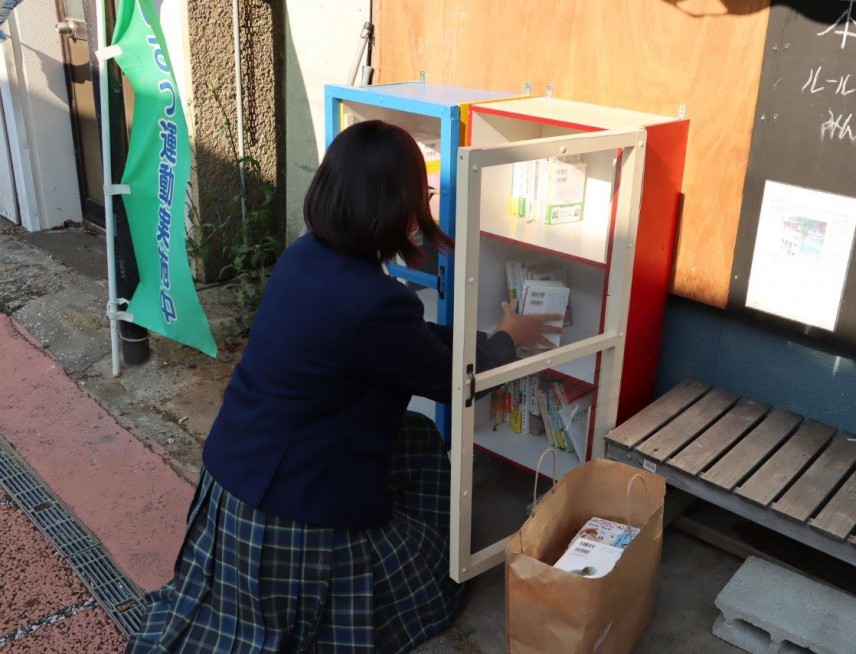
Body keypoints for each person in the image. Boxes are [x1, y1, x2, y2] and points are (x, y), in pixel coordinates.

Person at [126, 119, 560, 653]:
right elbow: (455, 381)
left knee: (418, 437)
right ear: (395, 205)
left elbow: (413, 338)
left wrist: (488, 334)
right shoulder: (374, 303)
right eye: (421, 194)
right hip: (292, 512)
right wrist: (507, 343)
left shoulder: (306, 257)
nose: (423, 207)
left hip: (234, 479)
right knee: (418, 569)